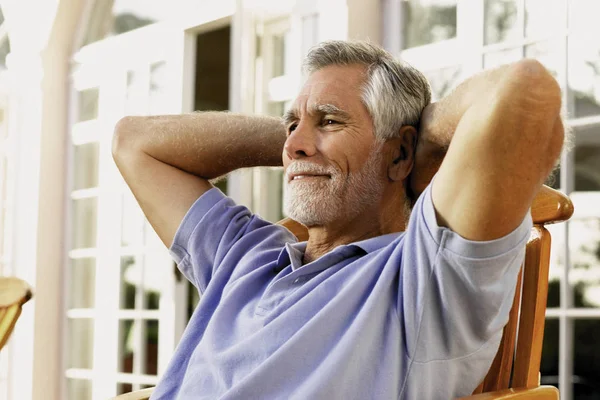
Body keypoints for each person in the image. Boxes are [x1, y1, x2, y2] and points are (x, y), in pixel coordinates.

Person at [112, 41, 564, 399]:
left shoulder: (423, 278)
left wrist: (424, 139)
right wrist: (304, 140)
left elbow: (526, 93)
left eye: (330, 120)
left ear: (401, 153)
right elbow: (134, 142)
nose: (295, 145)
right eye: (292, 125)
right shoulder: (247, 256)